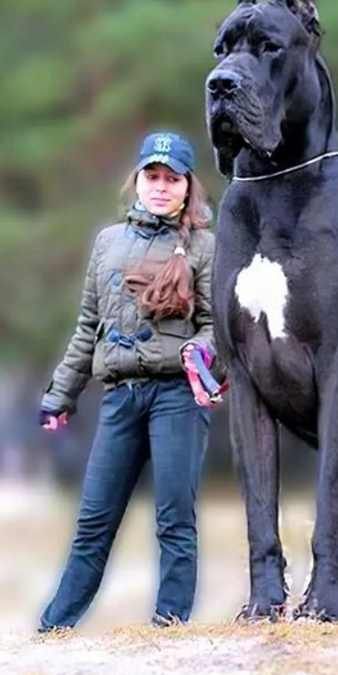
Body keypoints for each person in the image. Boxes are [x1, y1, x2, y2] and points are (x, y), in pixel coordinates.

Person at [36, 131, 225, 631]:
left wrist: (201, 355)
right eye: (152, 176)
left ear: (188, 187)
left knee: (174, 521)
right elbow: (86, 329)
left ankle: (169, 630)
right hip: (120, 398)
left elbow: (218, 328)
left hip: (177, 398)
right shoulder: (108, 243)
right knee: (94, 521)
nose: (160, 187)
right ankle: (53, 629)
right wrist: (61, 395)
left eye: (172, 178)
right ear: (137, 180)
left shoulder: (206, 247)